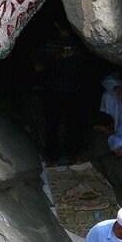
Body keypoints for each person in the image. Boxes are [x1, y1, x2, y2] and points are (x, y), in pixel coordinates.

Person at [34, 18, 88, 163]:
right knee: (74, 123)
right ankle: (74, 151)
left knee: (52, 123)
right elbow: (88, 66)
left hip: (54, 90)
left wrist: (53, 62)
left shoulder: (50, 47)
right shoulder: (81, 46)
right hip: (76, 90)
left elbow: (37, 68)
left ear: (56, 25)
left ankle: (53, 155)